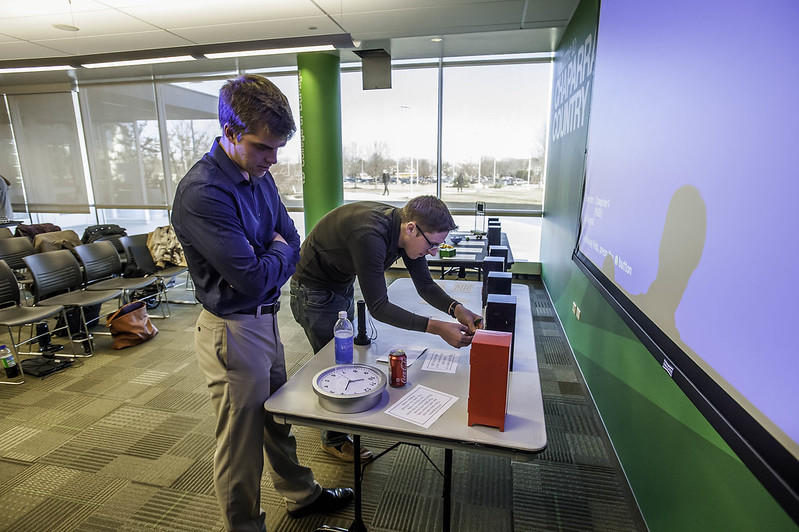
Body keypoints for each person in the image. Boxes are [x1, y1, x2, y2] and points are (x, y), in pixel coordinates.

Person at [171, 74, 352, 532]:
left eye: (278, 150)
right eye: (263, 147)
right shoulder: (204, 192)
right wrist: (276, 254)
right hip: (231, 331)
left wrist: (274, 250)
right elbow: (251, 279)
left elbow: (293, 238)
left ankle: (300, 494)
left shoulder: (258, 176)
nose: (272, 160)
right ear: (230, 133)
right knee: (240, 444)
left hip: (265, 323)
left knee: (277, 418)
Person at [290, 196, 483, 462]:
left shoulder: (407, 231)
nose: (435, 252)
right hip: (312, 291)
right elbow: (379, 307)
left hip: (338, 283)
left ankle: (334, 426)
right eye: (434, 245)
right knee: (336, 362)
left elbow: (425, 285)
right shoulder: (370, 234)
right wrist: (438, 328)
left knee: (342, 356)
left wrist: (456, 308)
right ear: (412, 228)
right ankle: (333, 439)